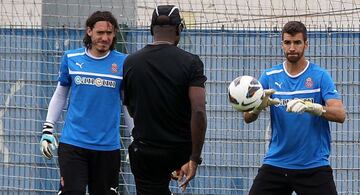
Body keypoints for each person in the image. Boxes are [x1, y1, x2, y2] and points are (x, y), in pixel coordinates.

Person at [244, 21, 346, 195]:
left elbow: (340, 114)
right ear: (282, 44)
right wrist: (257, 107)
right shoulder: (269, 76)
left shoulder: (320, 76)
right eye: (287, 42)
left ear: (306, 44)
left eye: (297, 42)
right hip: (276, 162)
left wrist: (314, 107)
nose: (292, 47)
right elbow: (247, 117)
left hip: (313, 165)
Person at [39, 11, 128, 195]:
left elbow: (127, 103)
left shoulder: (123, 63)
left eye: (109, 33)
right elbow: (60, 94)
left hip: (107, 148)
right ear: (89, 31)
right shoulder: (71, 58)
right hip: (73, 144)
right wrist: (48, 129)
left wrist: (136, 138)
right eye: (100, 32)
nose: (105, 38)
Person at [122, 5, 207, 195]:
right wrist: (194, 158)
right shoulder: (191, 62)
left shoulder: (131, 62)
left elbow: (130, 108)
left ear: (152, 29)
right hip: (179, 152)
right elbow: (199, 111)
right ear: (179, 29)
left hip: (145, 150)